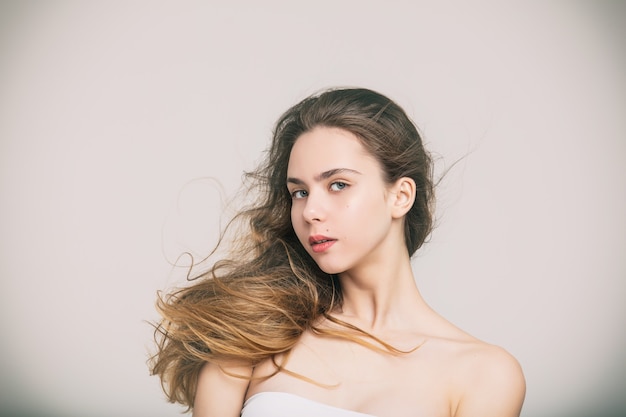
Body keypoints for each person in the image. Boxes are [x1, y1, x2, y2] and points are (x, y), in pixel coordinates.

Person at [150, 87, 526, 417]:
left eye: (338, 184)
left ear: (400, 196)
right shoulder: (251, 335)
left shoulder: (484, 374)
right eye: (299, 192)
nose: (311, 211)